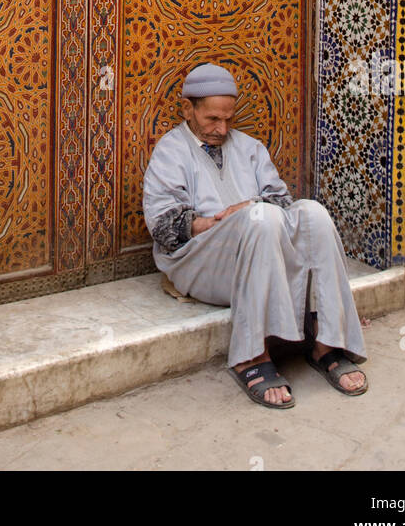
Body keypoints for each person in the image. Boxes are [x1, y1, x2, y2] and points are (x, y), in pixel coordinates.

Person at [142, 62, 368, 408]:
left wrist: (248, 208)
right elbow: (163, 227)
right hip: (199, 264)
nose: (221, 128)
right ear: (188, 109)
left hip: (260, 248)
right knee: (259, 219)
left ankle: (327, 343)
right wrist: (225, 224)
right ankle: (252, 355)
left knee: (313, 214)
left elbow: (282, 202)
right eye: (212, 119)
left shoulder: (249, 147)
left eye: (227, 119)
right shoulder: (170, 151)